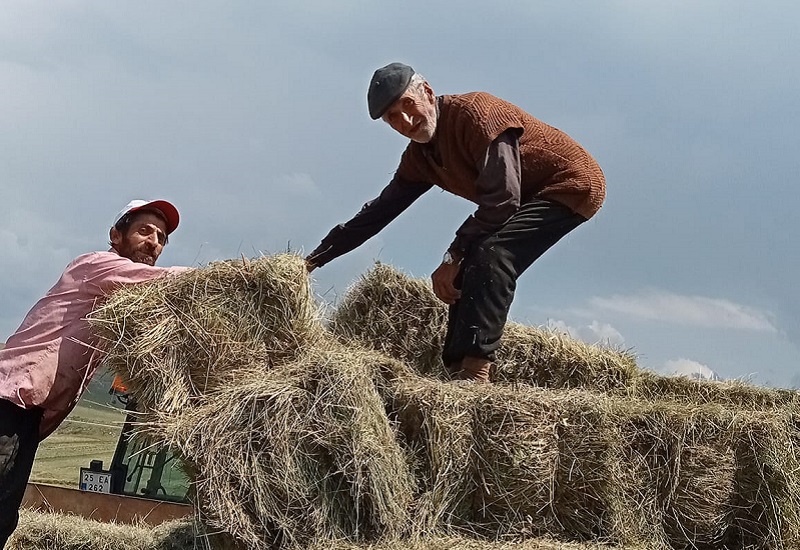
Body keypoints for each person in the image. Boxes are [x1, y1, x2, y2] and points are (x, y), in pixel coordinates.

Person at [306, 62, 606, 383]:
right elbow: (377, 213)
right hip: (522, 197)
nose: (406, 120)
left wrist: (453, 253)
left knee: (492, 252)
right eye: (393, 117)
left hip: (569, 184)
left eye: (408, 104)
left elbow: (503, 199)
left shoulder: (477, 114)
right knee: (471, 259)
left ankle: (476, 371)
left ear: (428, 92)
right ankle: (454, 371)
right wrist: (312, 261)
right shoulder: (419, 158)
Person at [0, 199, 190, 547]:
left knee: (3, 515)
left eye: (161, 238)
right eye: (144, 231)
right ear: (115, 235)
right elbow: (162, 283)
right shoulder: (97, 266)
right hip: (9, 402)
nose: (153, 243)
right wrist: (229, 276)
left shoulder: (113, 305)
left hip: (28, 418)